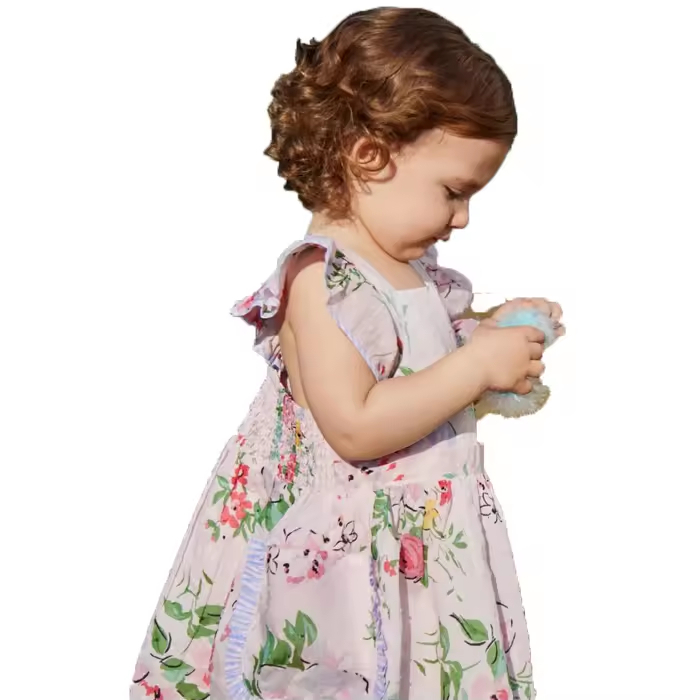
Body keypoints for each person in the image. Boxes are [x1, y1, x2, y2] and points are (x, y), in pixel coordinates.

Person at [130, 7, 564, 700]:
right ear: (369, 156)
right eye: (454, 192)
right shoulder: (323, 281)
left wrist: (487, 338)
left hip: (415, 550)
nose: (462, 219)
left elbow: (418, 375)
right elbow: (355, 426)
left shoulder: (414, 274)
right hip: (342, 567)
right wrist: (475, 367)